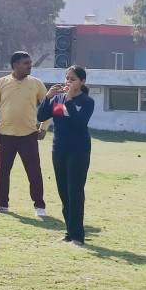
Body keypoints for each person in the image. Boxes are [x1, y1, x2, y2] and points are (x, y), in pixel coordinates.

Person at [37, 66, 94, 246]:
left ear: (82, 82)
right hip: (59, 149)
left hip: (78, 151)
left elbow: (79, 123)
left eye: (73, 79)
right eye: (67, 78)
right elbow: (41, 115)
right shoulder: (58, 99)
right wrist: (47, 97)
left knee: (75, 191)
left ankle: (78, 236)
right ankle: (69, 231)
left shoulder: (86, 101)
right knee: (63, 192)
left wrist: (69, 100)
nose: (68, 82)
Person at [0, 51, 49, 216]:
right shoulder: (2, 83)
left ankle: (39, 206)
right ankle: (2, 204)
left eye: (30, 62)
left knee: (34, 171)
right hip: (5, 135)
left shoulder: (36, 83)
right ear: (15, 65)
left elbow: (48, 106)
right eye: (26, 63)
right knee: (3, 171)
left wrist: (44, 127)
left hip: (29, 135)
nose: (30, 65)